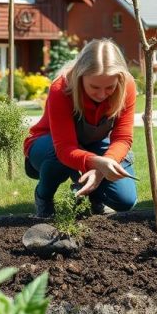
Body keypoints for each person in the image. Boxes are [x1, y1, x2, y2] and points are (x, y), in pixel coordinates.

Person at [24, 39, 137, 218]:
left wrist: (102, 168)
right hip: (49, 145)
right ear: (80, 76)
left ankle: (91, 193)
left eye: (109, 87)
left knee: (124, 200)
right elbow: (64, 149)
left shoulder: (127, 86)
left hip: (95, 144)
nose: (101, 94)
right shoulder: (61, 87)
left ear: (120, 79)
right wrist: (96, 162)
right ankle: (43, 197)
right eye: (94, 87)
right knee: (56, 157)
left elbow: (123, 138)